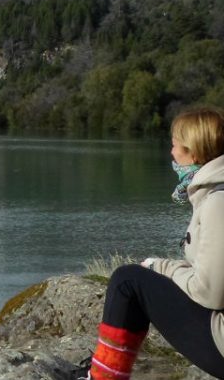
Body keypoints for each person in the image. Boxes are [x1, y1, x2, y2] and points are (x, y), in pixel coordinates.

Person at [82, 107, 224, 379]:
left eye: (174, 145)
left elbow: (210, 292)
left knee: (128, 281)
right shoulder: (214, 194)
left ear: (193, 152)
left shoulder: (218, 202)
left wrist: (163, 268)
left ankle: (103, 377)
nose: (171, 153)